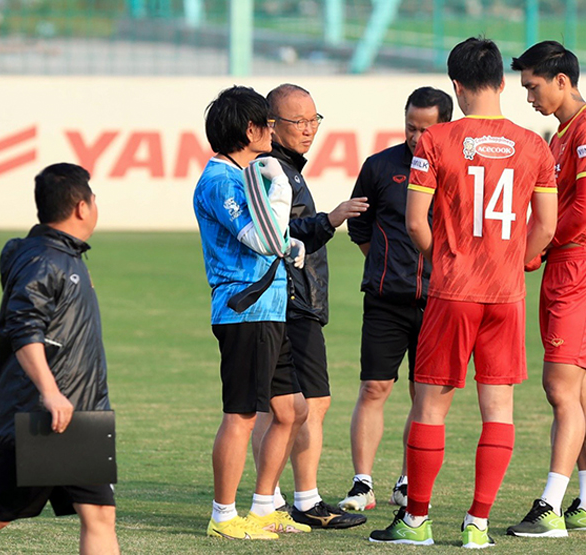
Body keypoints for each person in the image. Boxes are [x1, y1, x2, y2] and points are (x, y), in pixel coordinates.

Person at [368, 37, 558, 548]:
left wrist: (441, 259)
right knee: (499, 409)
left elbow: (414, 223)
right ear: (501, 82)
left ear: (456, 86)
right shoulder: (534, 145)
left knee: (431, 406)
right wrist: (521, 260)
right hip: (506, 294)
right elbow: (546, 224)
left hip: (453, 291)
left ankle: (416, 522)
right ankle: (477, 525)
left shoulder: (436, 142)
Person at [507, 40, 586, 537]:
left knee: (559, 388)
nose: (528, 97)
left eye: (533, 86)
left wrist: (536, 247)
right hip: (567, 263)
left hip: (581, 265)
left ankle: (550, 504)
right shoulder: (562, 134)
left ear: (561, 80)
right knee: (579, 389)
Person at [193, 85, 311, 541]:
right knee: (241, 414)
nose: (274, 130)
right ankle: (223, 515)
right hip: (245, 310)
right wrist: (279, 185)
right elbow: (260, 237)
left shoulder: (241, 175)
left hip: (270, 309)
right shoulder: (222, 181)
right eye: (268, 122)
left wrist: (292, 244)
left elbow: (274, 239)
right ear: (250, 129)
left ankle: (263, 506)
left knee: (291, 410)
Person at [250, 83, 368, 529]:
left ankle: (286, 497)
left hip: (298, 300)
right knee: (297, 405)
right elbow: (279, 232)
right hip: (289, 301)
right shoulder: (272, 170)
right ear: (271, 126)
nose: (308, 129)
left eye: (314, 120)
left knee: (293, 405)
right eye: (297, 121)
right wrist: (331, 219)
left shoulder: (289, 170)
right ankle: (295, 499)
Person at [0, 163, 120, 554]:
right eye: (94, 199)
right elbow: (23, 327)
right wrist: (49, 392)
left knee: (99, 514)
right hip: (44, 416)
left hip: (79, 415)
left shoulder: (61, 255)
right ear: (82, 207)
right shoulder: (44, 259)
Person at [340, 86, 453, 512]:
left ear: (445, 126)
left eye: (426, 129)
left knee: (423, 396)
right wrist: (385, 266)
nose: (416, 136)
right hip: (386, 300)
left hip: (441, 301)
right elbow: (360, 226)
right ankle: (362, 483)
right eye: (410, 126)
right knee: (373, 386)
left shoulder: (458, 168)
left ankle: (408, 482)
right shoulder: (379, 167)